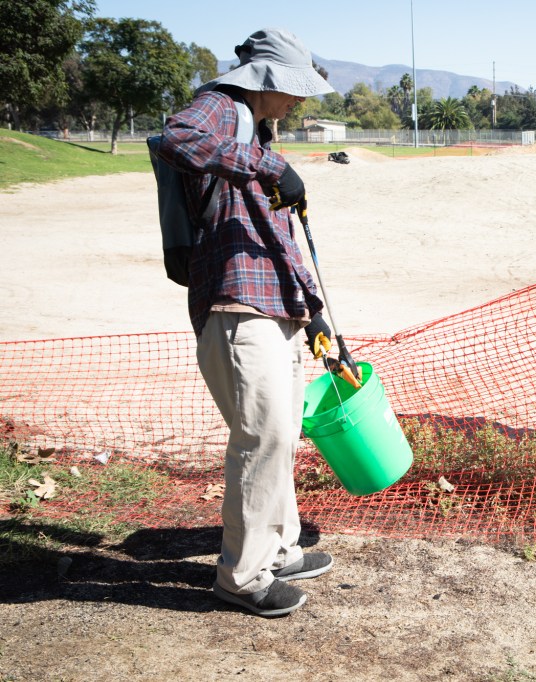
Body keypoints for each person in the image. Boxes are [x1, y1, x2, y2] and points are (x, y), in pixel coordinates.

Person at [158, 28, 337, 617]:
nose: (298, 103)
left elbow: (283, 241)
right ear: (268, 81)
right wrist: (267, 165)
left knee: (281, 433)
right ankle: (242, 576)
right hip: (235, 304)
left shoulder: (257, 132)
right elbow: (176, 137)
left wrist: (312, 314)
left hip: (276, 305)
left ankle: (278, 548)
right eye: (293, 92)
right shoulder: (221, 106)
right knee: (265, 437)